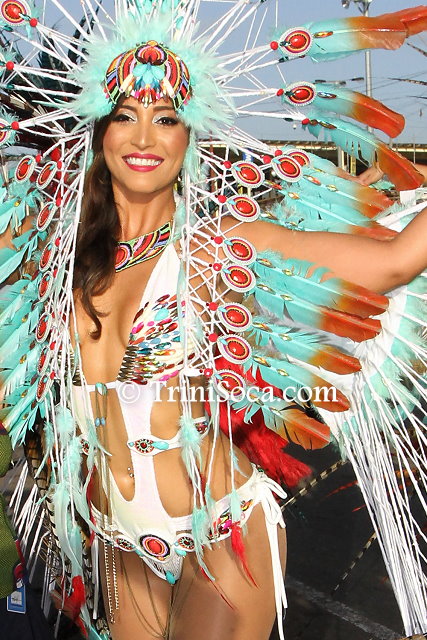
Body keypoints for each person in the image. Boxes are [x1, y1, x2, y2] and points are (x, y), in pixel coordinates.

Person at [1, 4, 427, 640]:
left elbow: (394, 262)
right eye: (125, 115)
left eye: (166, 118)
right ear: (98, 130)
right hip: (118, 546)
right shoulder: (50, 253)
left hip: (222, 536)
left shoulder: (214, 249)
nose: (144, 138)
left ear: (189, 136)